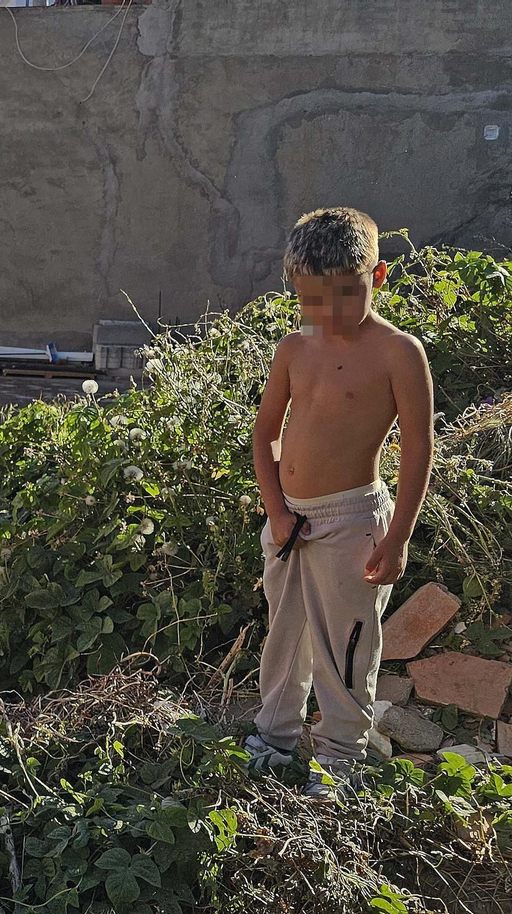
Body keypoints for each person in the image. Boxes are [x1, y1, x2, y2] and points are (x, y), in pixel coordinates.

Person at [246, 207, 434, 799]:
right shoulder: (293, 349)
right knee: (286, 632)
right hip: (289, 517)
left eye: (341, 296)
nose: (325, 312)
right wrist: (275, 509)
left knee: (348, 640)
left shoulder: (399, 353)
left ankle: (339, 756)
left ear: (377, 277)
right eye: (309, 299)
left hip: (353, 519)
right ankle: (273, 740)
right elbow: (265, 435)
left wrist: (397, 536)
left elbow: (417, 452)